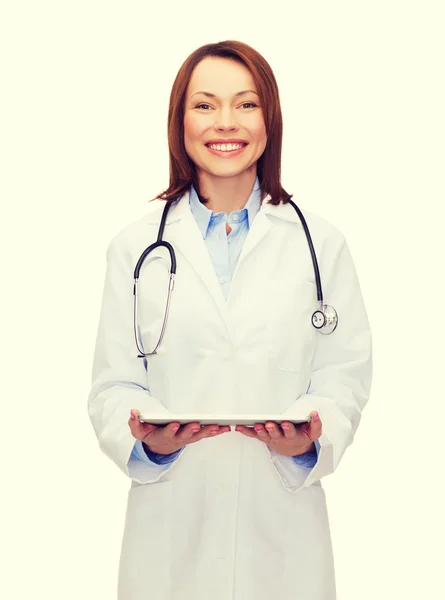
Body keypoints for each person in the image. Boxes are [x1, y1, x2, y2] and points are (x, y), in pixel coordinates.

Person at [87, 40, 372, 600]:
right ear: (180, 120)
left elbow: (345, 375)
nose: (226, 122)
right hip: (171, 536)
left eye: (245, 104)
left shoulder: (321, 246)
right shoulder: (135, 247)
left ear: (270, 120)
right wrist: (151, 441)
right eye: (205, 104)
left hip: (283, 538)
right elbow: (112, 385)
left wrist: (309, 440)